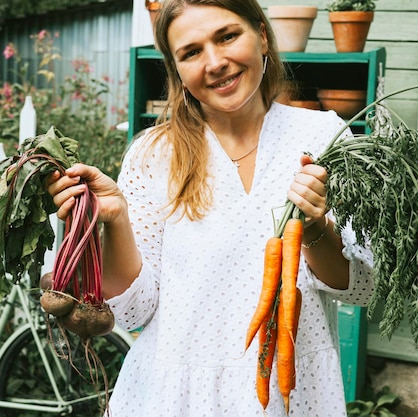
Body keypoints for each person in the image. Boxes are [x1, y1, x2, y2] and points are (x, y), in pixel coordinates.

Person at [46, 0, 374, 415]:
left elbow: (359, 286)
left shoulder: (324, 137)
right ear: (177, 71)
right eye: (191, 52)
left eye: (227, 36)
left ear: (262, 36)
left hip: (289, 395)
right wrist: (116, 220)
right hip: (173, 396)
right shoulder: (153, 154)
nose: (215, 62)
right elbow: (133, 310)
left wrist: (313, 228)